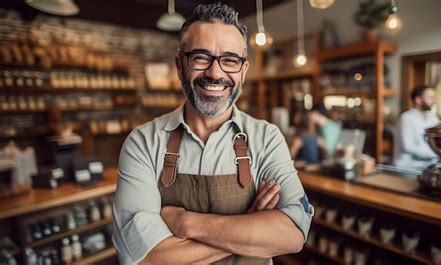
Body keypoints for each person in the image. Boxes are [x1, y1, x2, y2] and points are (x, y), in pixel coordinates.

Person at [112, 3, 313, 265]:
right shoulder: (142, 143)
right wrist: (248, 226)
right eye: (200, 57)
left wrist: (187, 223)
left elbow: (292, 235)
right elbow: (145, 258)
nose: (215, 73)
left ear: (243, 70)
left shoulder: (267, 138)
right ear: (180, 65)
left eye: (230, 60)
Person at [393, 86, 439, 171]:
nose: (433, 101)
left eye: (434, 98)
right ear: (418, 100)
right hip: (407, 168)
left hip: (428, 167)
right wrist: (435, 154)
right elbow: (408, 146)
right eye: (430, 97)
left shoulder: (433, 119)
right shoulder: (406, 118)